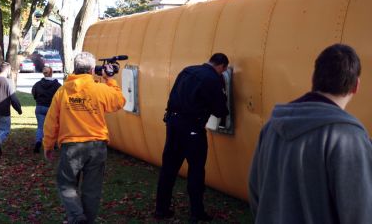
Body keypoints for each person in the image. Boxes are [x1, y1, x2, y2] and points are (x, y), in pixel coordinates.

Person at [249, 44, 372, 224]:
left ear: (313, 78)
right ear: (356, 86)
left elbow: (255, 193)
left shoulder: (271, 127)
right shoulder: (350, 137)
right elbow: (361, 213)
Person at [43, 52, 125, 224]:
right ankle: (84, 220)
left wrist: (48, 145)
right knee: (92, 189)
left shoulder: (63, 91)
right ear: (91, 69)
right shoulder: (100, 89)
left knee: (66, 184)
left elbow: (51, 121)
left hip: (71, 146)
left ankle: (76, 216)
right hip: (97, 145)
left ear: (75, 68)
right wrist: (109, 80)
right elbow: (119, 101)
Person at [155, 53, 229, 222]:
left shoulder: (187, 70)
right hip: (192, 129)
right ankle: (197, 212)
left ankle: (161, 209)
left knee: (169, 168)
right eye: (223, 71)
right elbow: (220, 110)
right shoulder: (213, 79)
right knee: (196, 170)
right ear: (222, 66)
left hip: (172, 123)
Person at [31, 66, 61, 153]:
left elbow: (34, 93)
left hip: (40, 107)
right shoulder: (57, 85)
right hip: (51, 108)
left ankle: (38, 141)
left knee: (40, 127)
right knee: (53, 127)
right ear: (51, 73)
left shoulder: (37, 84)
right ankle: (53, 144)